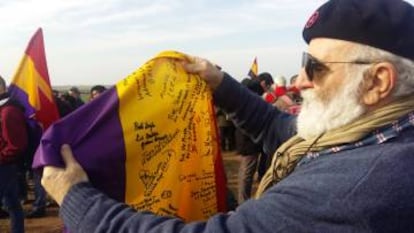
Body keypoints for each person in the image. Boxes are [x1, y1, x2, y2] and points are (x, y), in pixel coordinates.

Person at [41, 0, 414, 232]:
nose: (300, 81)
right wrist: (219, 82)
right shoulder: (376, 134)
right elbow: (277, 128)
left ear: (378, 81)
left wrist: (76, 197)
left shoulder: (356, 188)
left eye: (314, 67)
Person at [0, 76, 26, 233]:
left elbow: (16, 145)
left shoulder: (9, 112)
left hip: (4, 166)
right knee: (12, 204)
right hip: (5, 164)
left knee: (12, 204)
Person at [235, 79, 263, 203]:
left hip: (245, 142)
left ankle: (242, 199)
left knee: (244, 172)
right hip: (249, 143)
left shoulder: (241, 102)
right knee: (246, 173)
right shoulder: (250, 105)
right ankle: (243, 201)